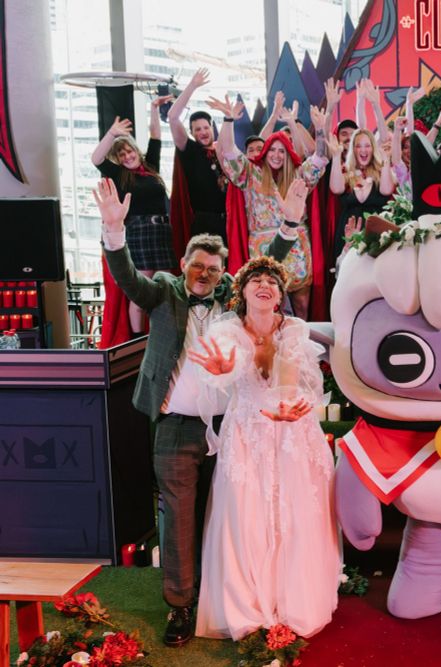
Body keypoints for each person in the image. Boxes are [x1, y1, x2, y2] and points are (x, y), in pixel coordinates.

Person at [94, 177, 302, 647]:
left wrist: (289, 223)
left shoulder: (233, 294)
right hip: (174, 425)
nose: (205, 273)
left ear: (224, 272)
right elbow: (128, 278)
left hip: (231, 429)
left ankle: (224, 598)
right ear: (184, 264)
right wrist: (114, 233)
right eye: (198, 265)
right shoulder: (165, 291)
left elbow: (268, 266)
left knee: (227, 516)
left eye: (214, 267)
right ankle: (181, 607)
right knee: (177, 517)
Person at [189, 256, 340, 640]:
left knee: (293, 514)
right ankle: (249, 607)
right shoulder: (228, 330)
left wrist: (289, 404)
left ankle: (294, 602)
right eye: (256, 278)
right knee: (246, 515)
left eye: (273, 281)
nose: (265, 284)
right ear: (242, 291)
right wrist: (220, 372)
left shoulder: (293, 328)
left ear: (280, 294)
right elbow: (221, 374)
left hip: (291, 433)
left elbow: (298, 381)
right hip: (246, 435)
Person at [214, 95, 331, 318]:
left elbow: (321, 158)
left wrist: (321, 130)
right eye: (272, 150)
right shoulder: (250, 174)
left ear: (288, 154)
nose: (277, 155)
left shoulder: (299, 175)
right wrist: (228, 120)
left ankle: (299, 345)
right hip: (263, 246)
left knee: (301, 304)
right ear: (265, 152)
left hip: (296, 245)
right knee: (266, 305)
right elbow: (228, 152)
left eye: (282, 150)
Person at [92, 97, 173, 341]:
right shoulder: (119, 174)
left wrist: (154, 108)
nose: (127, 156)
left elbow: (156, 135)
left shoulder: (151, 167)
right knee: (141, 287)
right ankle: (138, 340)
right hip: (139, 231)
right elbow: (96, 159)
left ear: (136, 151)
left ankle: (165, 333)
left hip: (162, 232)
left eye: (129, 151)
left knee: (166, 286)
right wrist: (112, 133)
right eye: (122, 154)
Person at [168, 68, 229, 245]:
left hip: (228, 220)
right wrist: (192, 86)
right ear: (192, 133)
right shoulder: (190, 150)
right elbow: (172, 117)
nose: (202, 132)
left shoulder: (223, 151)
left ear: (212, 128)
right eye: (197, 129)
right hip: (204, 223)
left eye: (205, 127)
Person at [329, 127, 394, 261]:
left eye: (367, 146)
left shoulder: (381, 171)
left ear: (373, 148)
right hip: (349, 235)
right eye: (358, 146)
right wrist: (336, 157)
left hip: (376, 236)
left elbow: (387, 191)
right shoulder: (345, 171)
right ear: (353, 150)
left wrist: (386, 160)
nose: (363, 150)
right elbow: (336, 189)